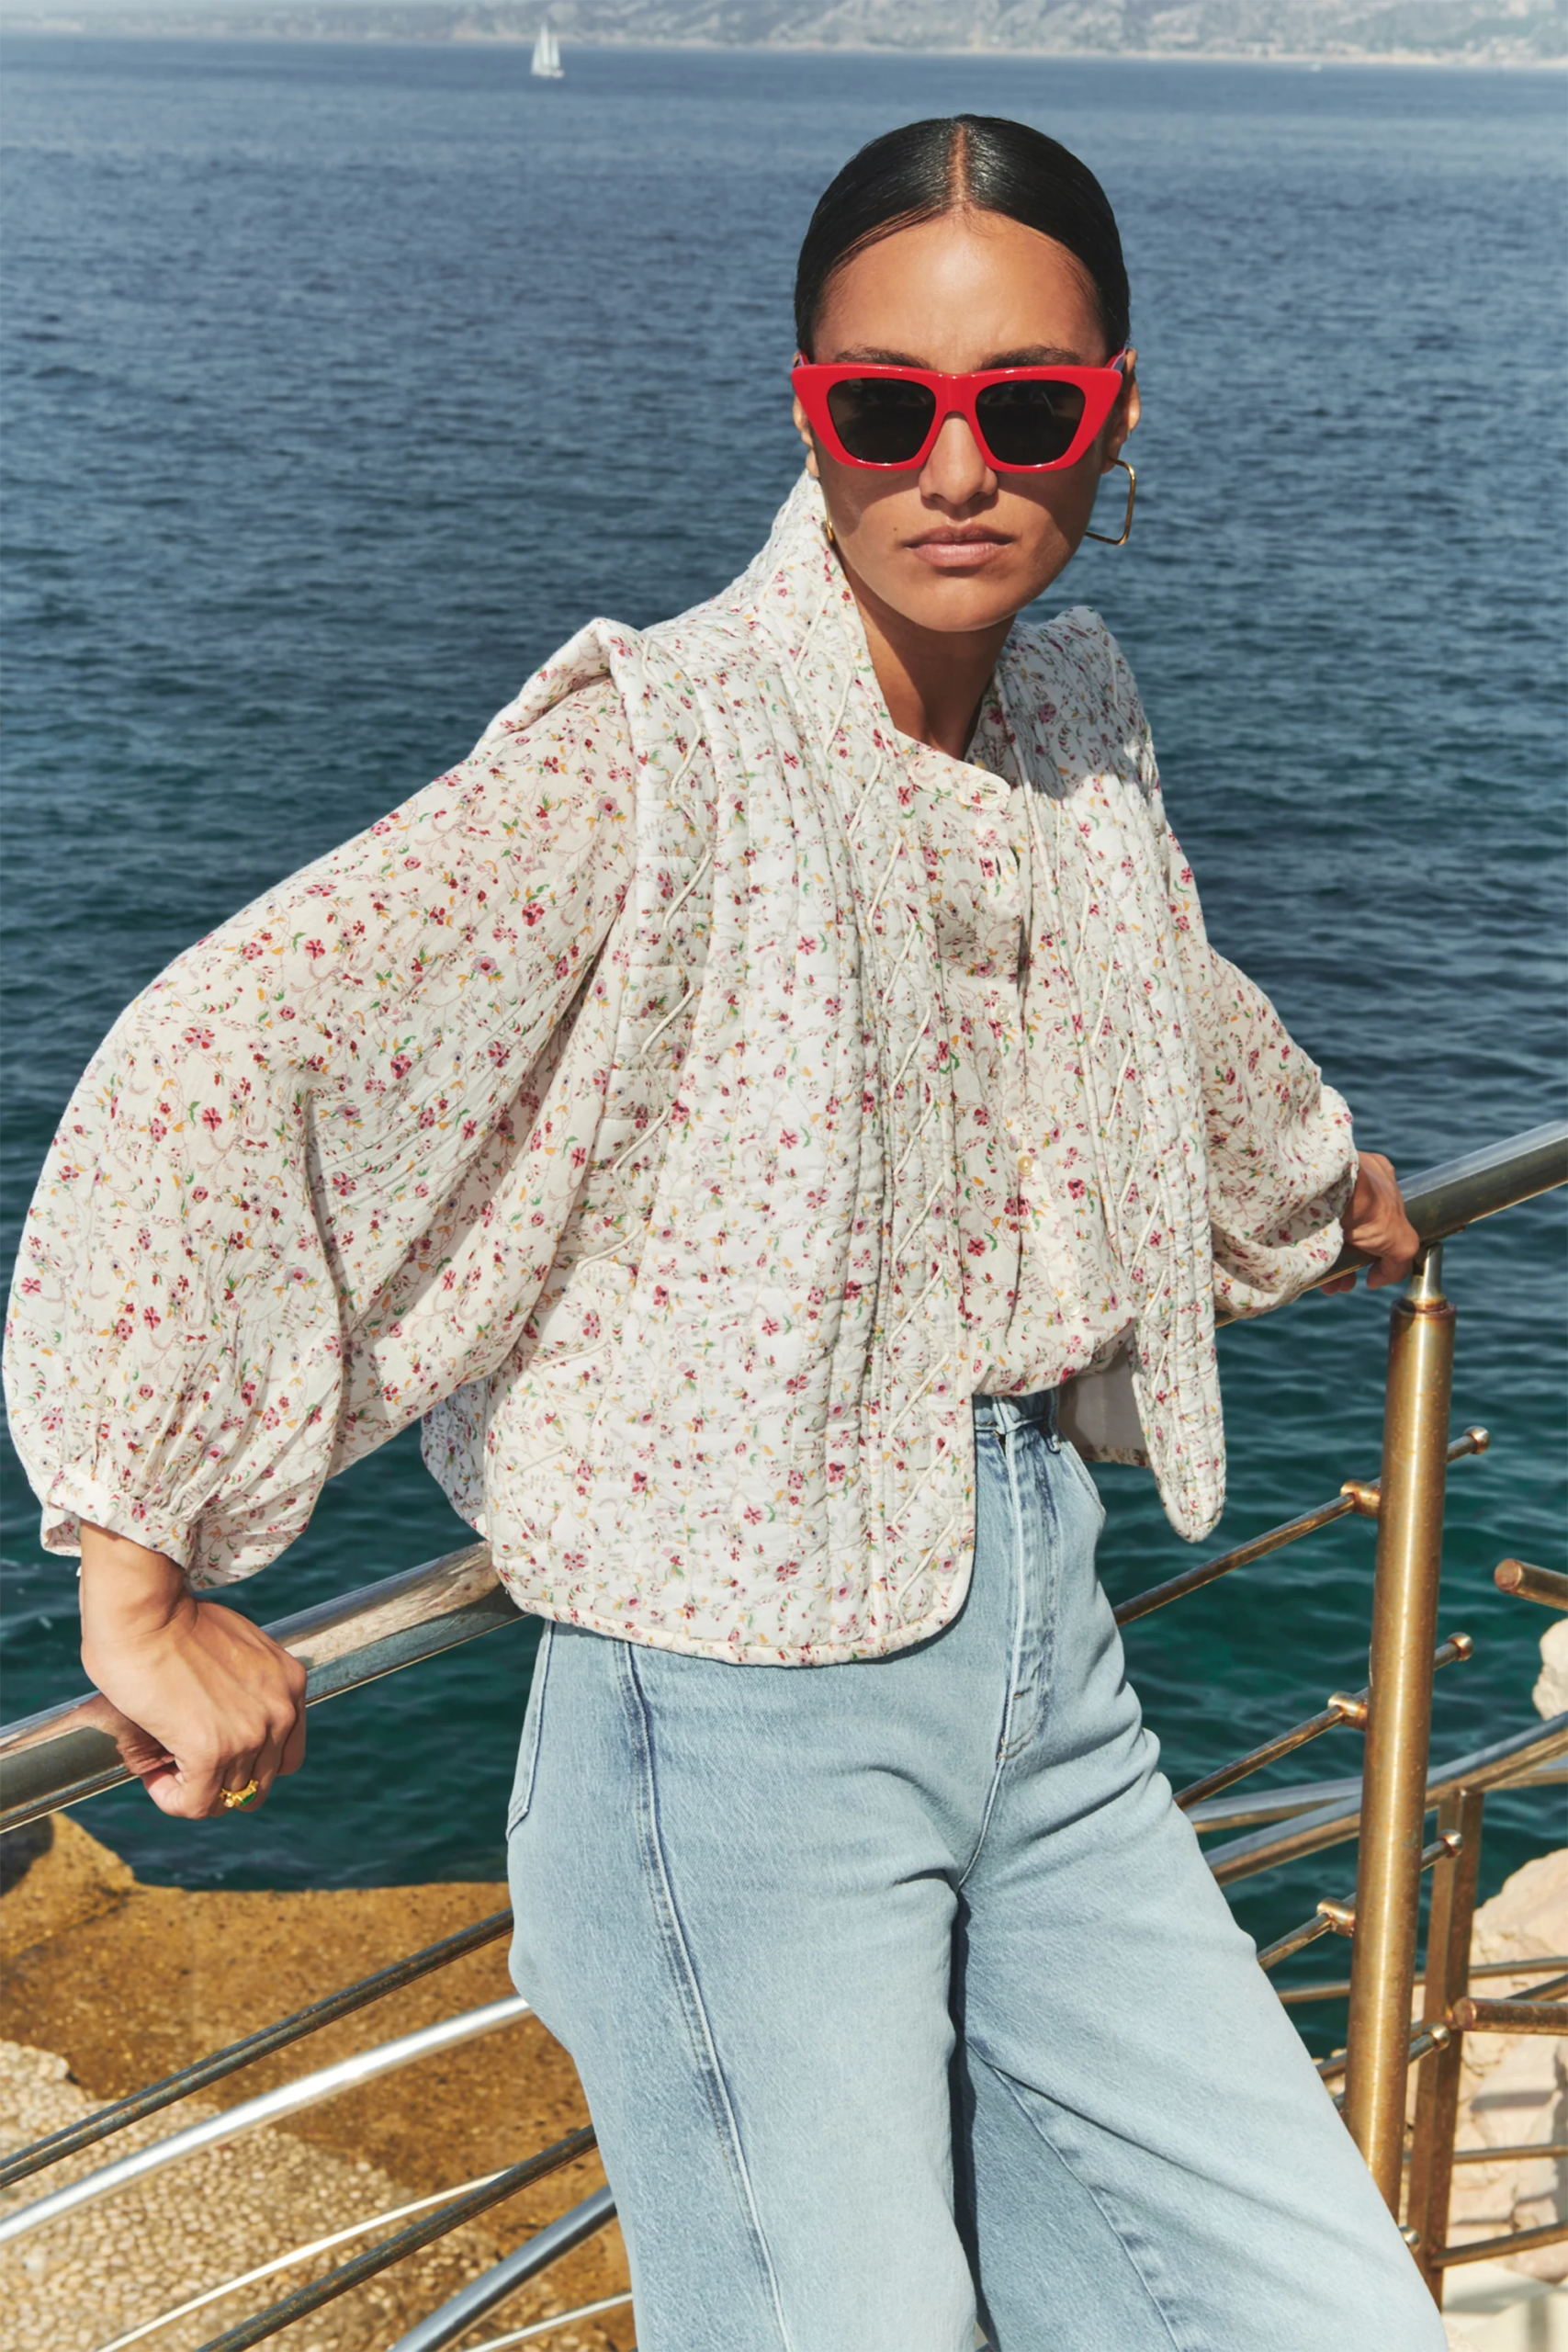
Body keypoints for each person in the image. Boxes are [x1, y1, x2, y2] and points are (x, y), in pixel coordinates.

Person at [5, 115, 1440, 2351]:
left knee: (1317, 2313)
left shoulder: (1070, 710)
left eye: (1024, 408)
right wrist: (136, 1556)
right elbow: (238, 1048)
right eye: (883, 406)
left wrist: (1308, 1179)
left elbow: (1144, 992)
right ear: (808, 413)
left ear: (1112, 416)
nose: (952, 468)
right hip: (737, 1721)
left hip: (1048, 1670)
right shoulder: (662, 751)